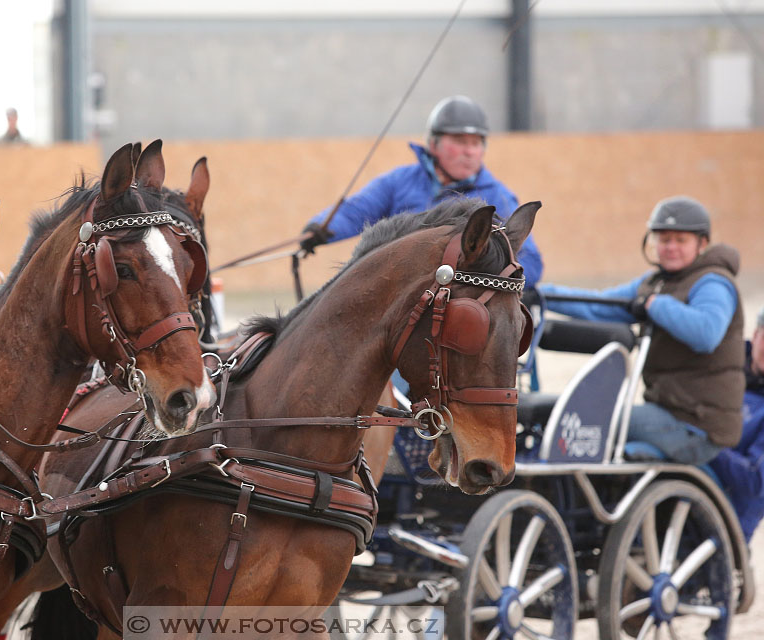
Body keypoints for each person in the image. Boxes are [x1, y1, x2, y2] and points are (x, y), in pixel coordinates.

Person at [540, 196, 744, 465]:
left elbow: (706, 334)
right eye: (663, 239)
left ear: (702, 243)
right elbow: (598, 305)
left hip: (697, 426)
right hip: (667, 413)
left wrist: (657, 305)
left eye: (680, 240)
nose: (670, 247)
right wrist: (539, 293)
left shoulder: (713, 283)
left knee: (588, 417)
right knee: (574, 417)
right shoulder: (657, 282)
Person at [299, 95, 543, 288]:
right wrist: (319, 230)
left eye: (476, 143)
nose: (469, 151)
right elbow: (355, 212)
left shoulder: (499, 197)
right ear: (433, 144)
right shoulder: (399, 181)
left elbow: (529, 262)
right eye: (459, 141)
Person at [709, 306, 764, 543]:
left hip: (723, 529)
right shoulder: (719, 369)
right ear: (756, 335)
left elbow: (756, 479)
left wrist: (704, 446)